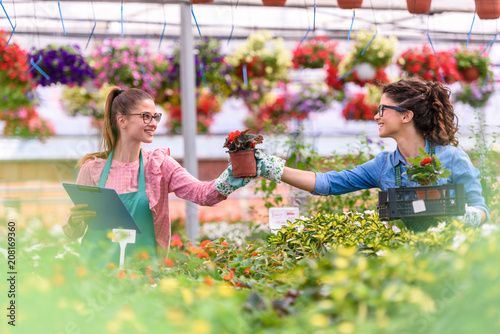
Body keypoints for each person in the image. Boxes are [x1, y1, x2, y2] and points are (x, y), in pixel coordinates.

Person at [62, 87, 253, 267]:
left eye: (155, 117)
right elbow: (73, 232)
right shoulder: (93, 169)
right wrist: (74, 220)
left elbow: (204, 194)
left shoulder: (159, 165)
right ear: (122, 121)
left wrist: (235, 173)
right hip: (97, 273)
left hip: (143, 275)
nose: (153, 123)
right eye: (146, 117)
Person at [257, 78, 489, 225]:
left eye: (382, 109)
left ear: (406, 116)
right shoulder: (384, 165)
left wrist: (464, 215)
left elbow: (481, 209)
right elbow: (329, 183)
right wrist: (271, 168)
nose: (376, 116)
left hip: (449, 259)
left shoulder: (452, 158)